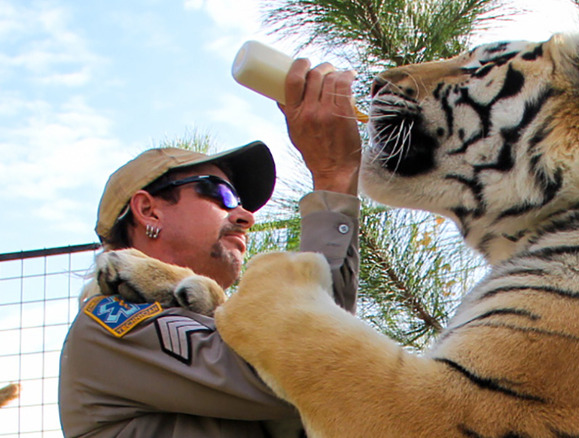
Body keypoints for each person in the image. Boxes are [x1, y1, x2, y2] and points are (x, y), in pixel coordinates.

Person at [58, 59, 362, 437]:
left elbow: (329, 361)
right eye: (221, 193)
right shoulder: (109, 327)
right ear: (148, 210)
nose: (245, 215)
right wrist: (333, 177)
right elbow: (307, 367)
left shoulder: (220, 327)